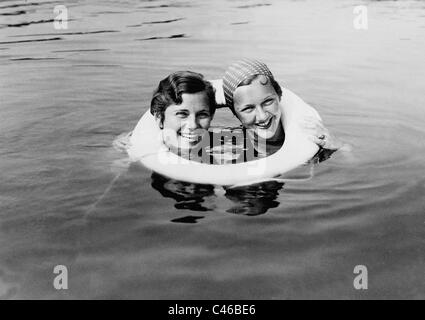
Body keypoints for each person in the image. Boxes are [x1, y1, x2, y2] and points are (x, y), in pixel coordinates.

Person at [222, 59, 342, 158]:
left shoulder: (307, 135)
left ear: (279, 96)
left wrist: (333, 145)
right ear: (235, 113)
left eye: (268, 101)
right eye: (248, 108)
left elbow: (352, 163)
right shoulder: (231, 146)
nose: (262, 116)